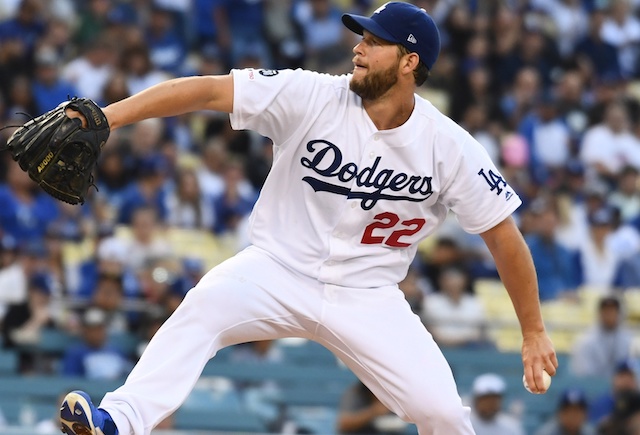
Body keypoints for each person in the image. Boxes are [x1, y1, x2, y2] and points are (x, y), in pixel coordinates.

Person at [58, 3, 557, 435]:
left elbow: (504, 238)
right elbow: (209, 91)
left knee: (442, 412)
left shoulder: (448, 146)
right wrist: (106, 117)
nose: (359, 49)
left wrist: (533, 331)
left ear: (410, 62)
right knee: (202, 308)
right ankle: (117, 421)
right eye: (361, 37)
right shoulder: (312, 94)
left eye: (375, 42)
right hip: (276, 268)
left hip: (368, 296)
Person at [570, 295, 632, 378]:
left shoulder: (628, 339)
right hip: (593, 387)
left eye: (613, 311)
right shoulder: (586, 341)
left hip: (621, 388)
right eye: (606, 311)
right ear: (600, 313)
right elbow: (583, 373)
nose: (609, 315)